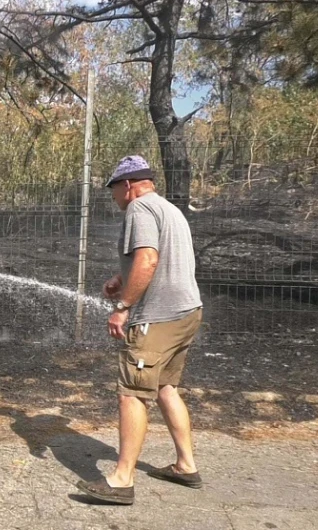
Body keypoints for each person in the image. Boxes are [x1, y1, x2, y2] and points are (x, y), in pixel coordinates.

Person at [76, 155, 203, 505]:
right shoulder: (169, 209)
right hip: (187, 312)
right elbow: (161, 258)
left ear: (128, 185)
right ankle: (185, 465)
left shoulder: (139, 209)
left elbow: (149, 259)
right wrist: (122, 279)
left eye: (114, 189)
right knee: (165, 387)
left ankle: (121, 480)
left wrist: (123, 307)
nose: (114, 198)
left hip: (158, 316)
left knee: (131, 392)